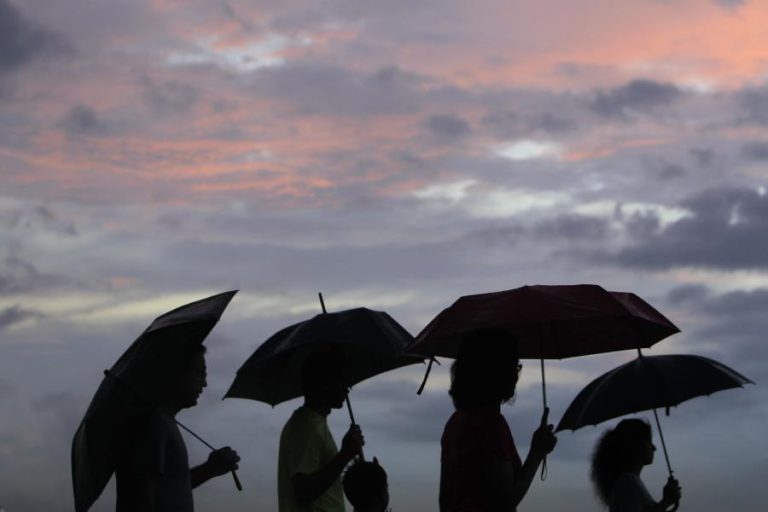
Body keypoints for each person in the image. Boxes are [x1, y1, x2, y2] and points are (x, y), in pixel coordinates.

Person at [439, 328, 557, 512]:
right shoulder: (490, 425)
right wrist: (536, 453)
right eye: (515, 365)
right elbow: (505, 500)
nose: (517, 373)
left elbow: (444, 501)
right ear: (500, 371)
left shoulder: (454, 423)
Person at [115, 344, 240, 512]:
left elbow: (169, 487)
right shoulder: (152, 424)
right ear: (175, 372)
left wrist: (209, 469)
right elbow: (141, 494)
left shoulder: (164, 422)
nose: (204, 383)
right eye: (199, 372)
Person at [278, 349, 365, 512]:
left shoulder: (315, 423)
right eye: (343, 381)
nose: (347, 389)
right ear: (325, 384)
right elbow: (303, 491)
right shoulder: (305, 426)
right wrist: (345, 454)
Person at [591, 418, 682, 512]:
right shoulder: (627, 483)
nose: (654, 447)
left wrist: (668, 501)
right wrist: (666, 501)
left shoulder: (630, 482)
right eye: (648, 441)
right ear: (635, 443)